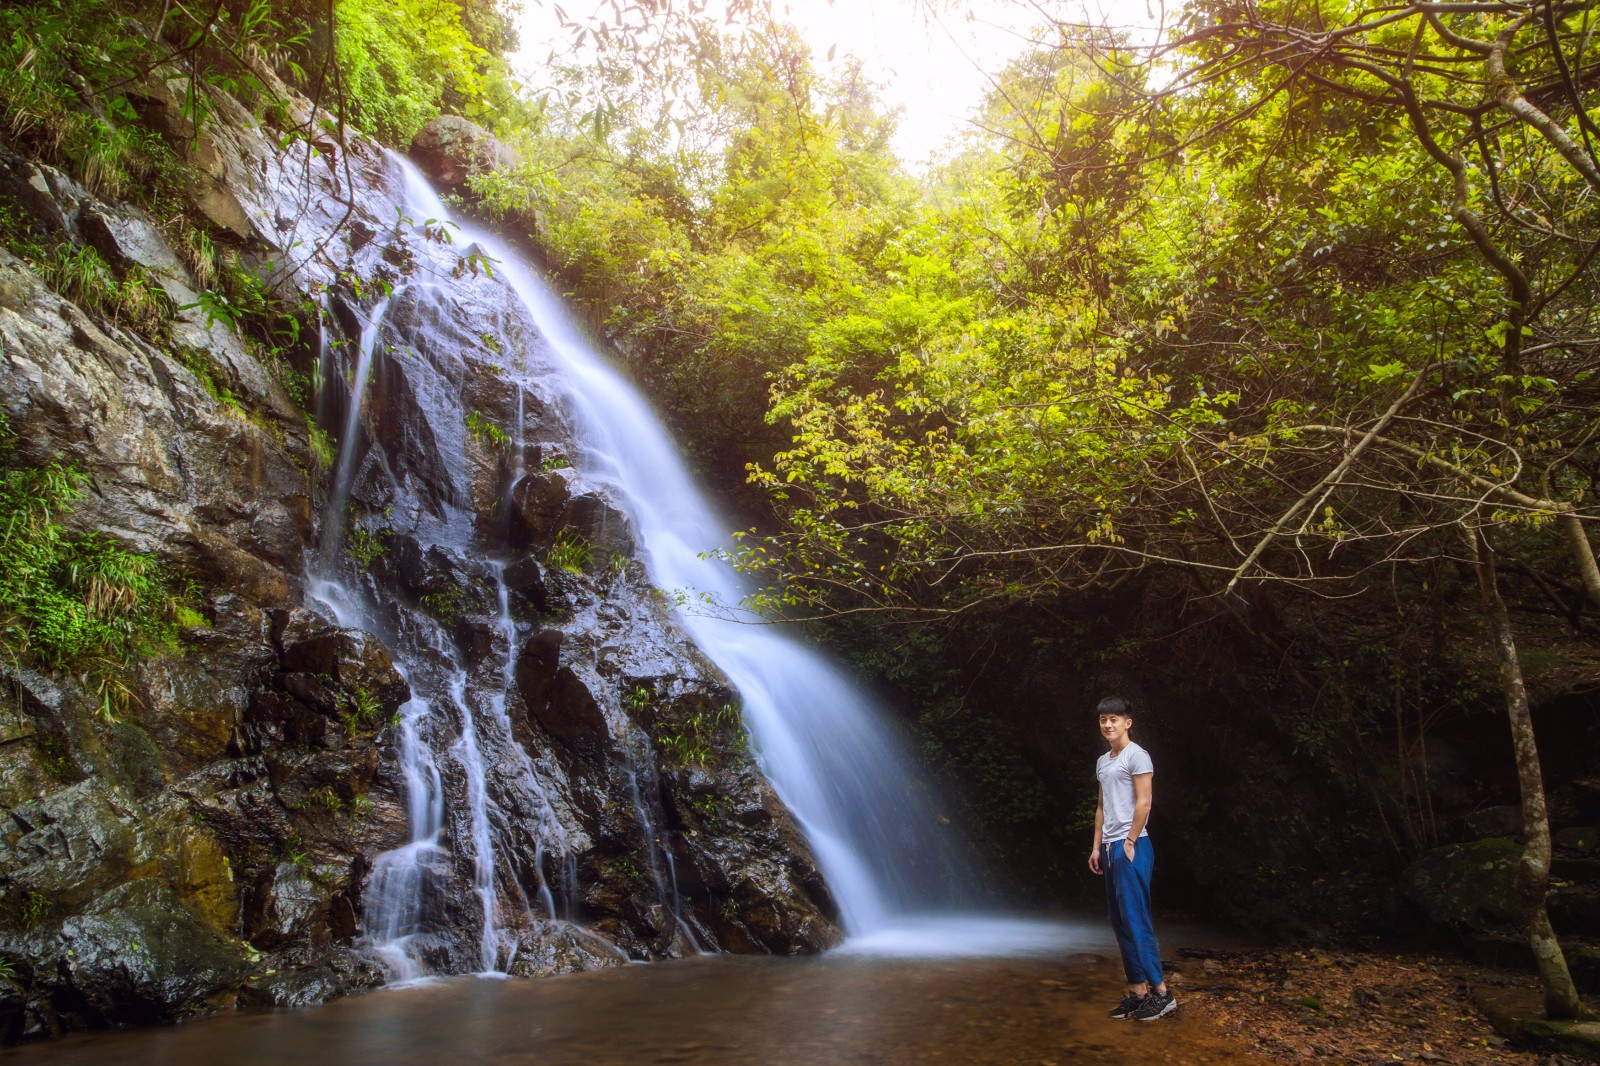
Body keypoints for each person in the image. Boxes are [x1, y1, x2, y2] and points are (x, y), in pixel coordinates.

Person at [1087, 695, 1175, 1021]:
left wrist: (1130, 840)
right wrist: (1098, 847)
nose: (1107, 725)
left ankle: (1162, 994)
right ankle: (1139, 991)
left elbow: (1144, 803)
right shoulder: (1103, 762)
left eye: (1114, 719)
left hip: (1132, 847)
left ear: (1128, 722)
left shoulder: (1138, 756)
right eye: (1103, 720)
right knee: (1120, 922)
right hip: (1110, 848)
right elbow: (1101, 807)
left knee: (1136, 921)